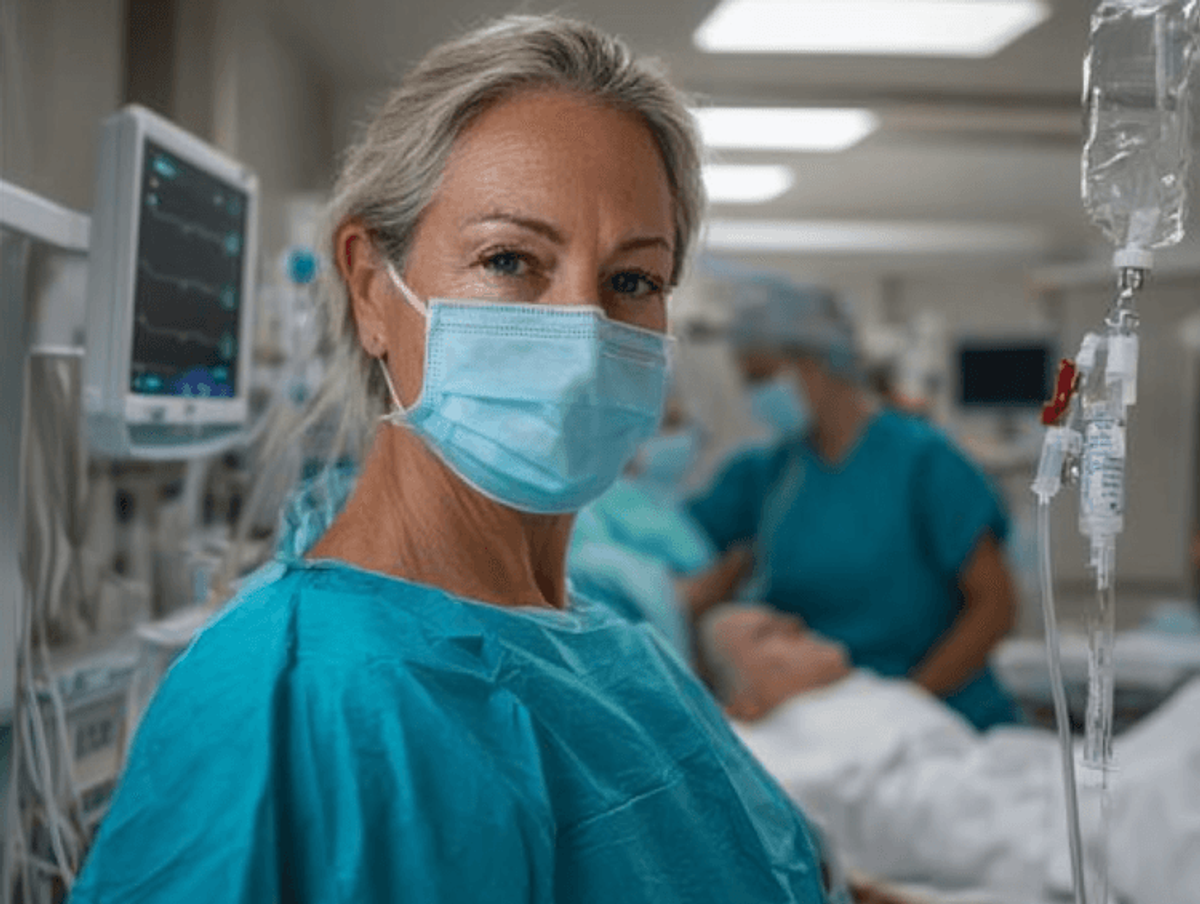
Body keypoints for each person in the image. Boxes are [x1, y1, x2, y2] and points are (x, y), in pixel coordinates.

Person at [68, 16, 842, 904]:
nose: (582, 333)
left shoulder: (616, 657)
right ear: (371, 288)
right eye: (509, 260)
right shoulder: (286, 707)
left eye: (633, 280)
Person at [688, 275, 1021, 730]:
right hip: (824, 723)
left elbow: (996, 605)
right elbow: (676, 552)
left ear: (816, 360)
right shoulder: (768, 474)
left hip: (947, 719)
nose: (756, 396)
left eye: (762, 377)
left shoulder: (924, 462)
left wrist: (905, 706)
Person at [700, 604, 1200, 904]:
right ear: (741, 701)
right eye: (767, 634)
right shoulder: (773, 756)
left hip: (1055, 778)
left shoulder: (860, 690)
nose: (793, 623)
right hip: (1047, 829)